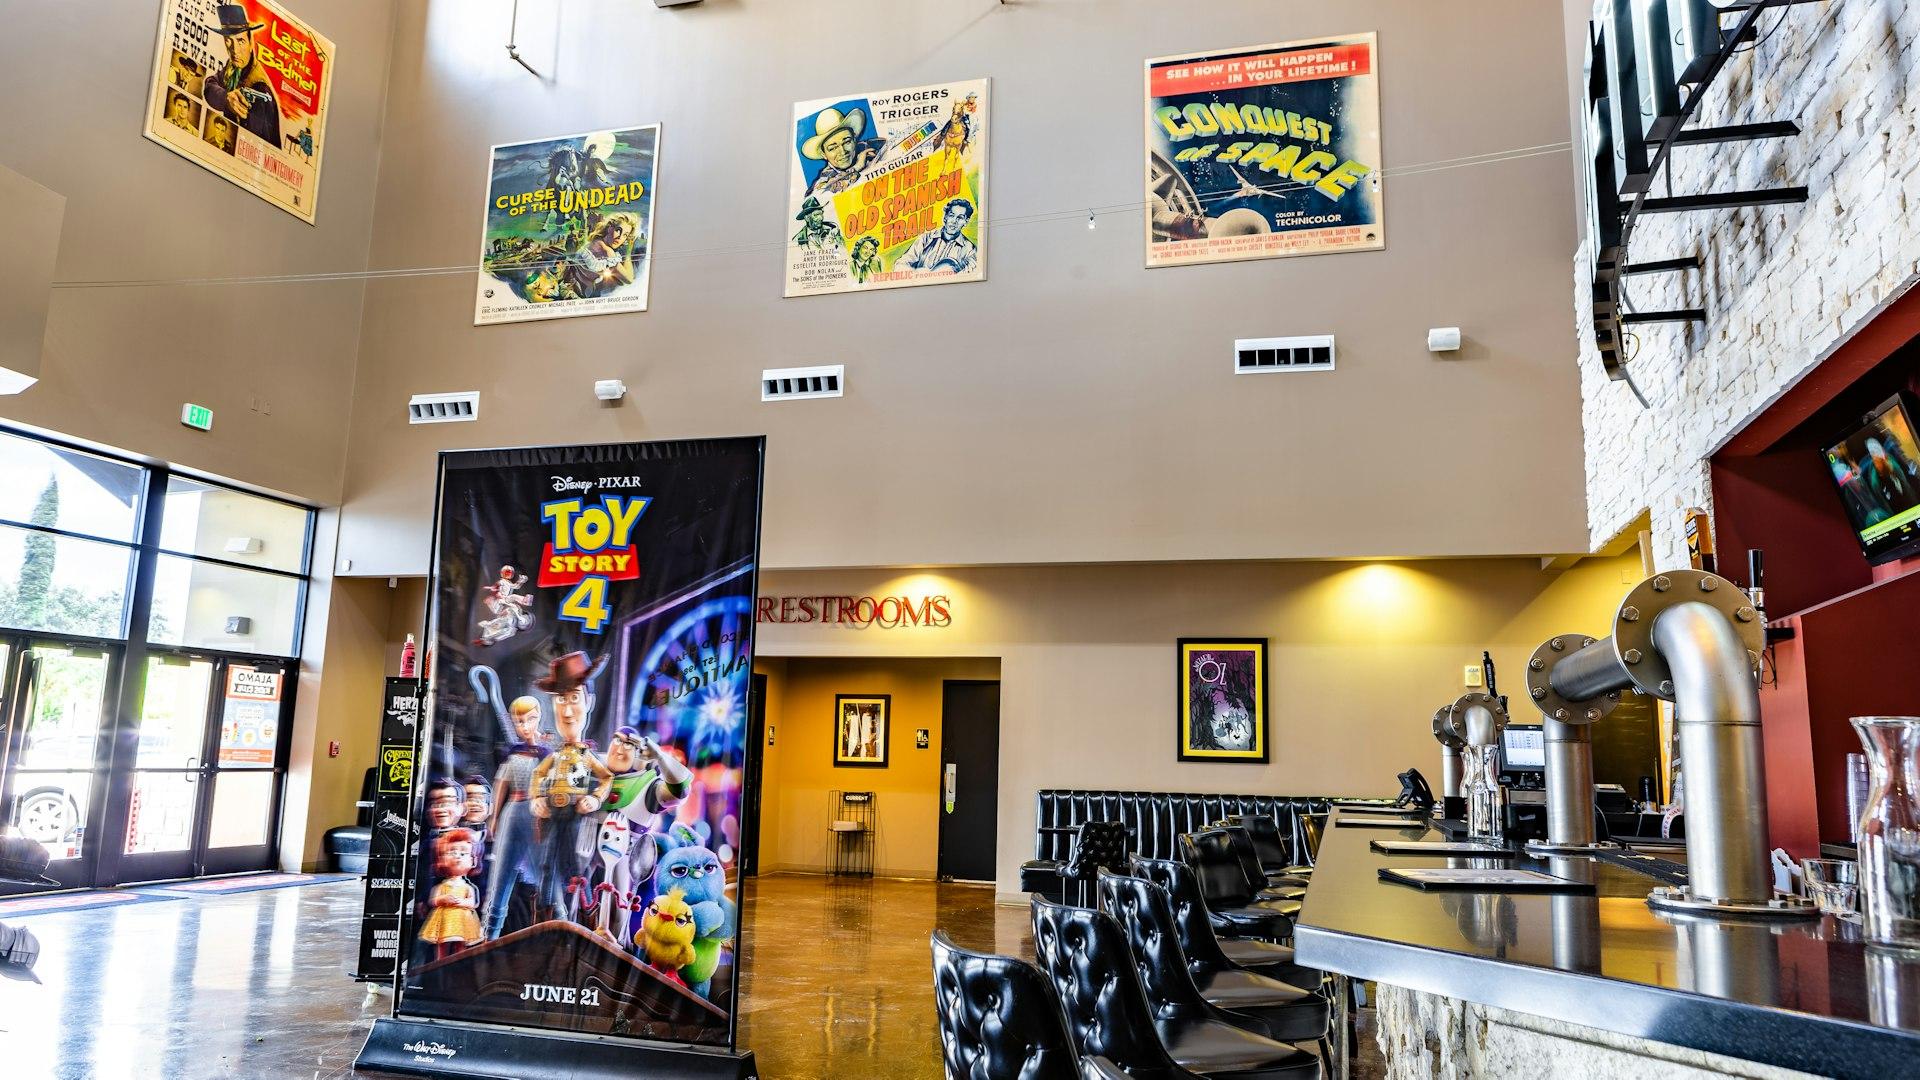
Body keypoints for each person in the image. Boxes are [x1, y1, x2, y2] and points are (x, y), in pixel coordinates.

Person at [529, 653, 614, 923]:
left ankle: (585, 913)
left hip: (577, 812)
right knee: (547, 863)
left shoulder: (588, 756)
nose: (566, 712)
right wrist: (536, 798)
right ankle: (544, 914)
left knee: (577, 864)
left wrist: (595, 799)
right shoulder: (555, 755)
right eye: (560, 700)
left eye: (574, 698)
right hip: (553, 812)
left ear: (589, 702)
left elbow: (606, 777)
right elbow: (538, 774)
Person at [483, 697, 549, 940]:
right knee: (501, 876)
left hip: (538, 815)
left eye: (529, 719)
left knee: (546, 878)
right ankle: (490, 934)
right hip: (513, 811)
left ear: (538, 717)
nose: (524, 726)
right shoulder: (514, 752)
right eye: (518, 722)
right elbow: (501, 784)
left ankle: (552, 933)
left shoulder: (548, 752)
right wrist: (493, 817)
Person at [201, 3, 282, 147]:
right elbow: (209, 85)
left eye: (241, 41)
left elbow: (256, 143)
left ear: (251, 43)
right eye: (228, 41)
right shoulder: (234, 67)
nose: (235, 50)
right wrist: (225, 99)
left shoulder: (260, 88)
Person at [800, 105, 879, 196]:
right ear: (823, 154)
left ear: (854, 140)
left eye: (847, 142)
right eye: (832, 148)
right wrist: (857, 167)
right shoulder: (823, 183)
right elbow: (821, 196)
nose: (842, 151)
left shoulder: (872, 147)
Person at [560, 213, 639, 299]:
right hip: (574, 290)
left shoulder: (597, 241)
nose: (620, 237)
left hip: (577, 287)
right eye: (618, 230)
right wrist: (628, 252)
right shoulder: (607, 251)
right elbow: (629, 279)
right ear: (609, 228)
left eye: (625, 235)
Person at [893, 198, 978, 274]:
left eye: (960, 218)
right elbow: (900, 265)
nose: (954, 221)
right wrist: (919, 276)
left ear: (966, 222)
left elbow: (972, 274)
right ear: (945, 217)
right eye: (951, 215)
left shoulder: (970, 249)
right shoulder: (926, 238)